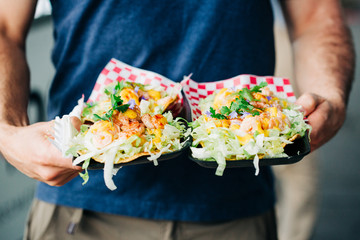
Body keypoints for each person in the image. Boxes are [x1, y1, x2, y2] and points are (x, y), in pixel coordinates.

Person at [0, 0, 354, 239]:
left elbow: (316, 16)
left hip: (236, 210)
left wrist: (330, 97)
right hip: (81, 208)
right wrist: (7, 130)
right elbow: (5, 26)